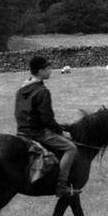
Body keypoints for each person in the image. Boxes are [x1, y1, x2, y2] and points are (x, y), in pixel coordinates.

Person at [15, 54, 78, 196]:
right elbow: (47, 120)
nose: (50, 70)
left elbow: (18, 113)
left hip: (22, 132)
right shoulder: (42, 91)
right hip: (37, 133)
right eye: (48, 68)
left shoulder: (21, 90)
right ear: (40, 71)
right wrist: (61, 132)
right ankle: (62, 186)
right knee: (71, 148)